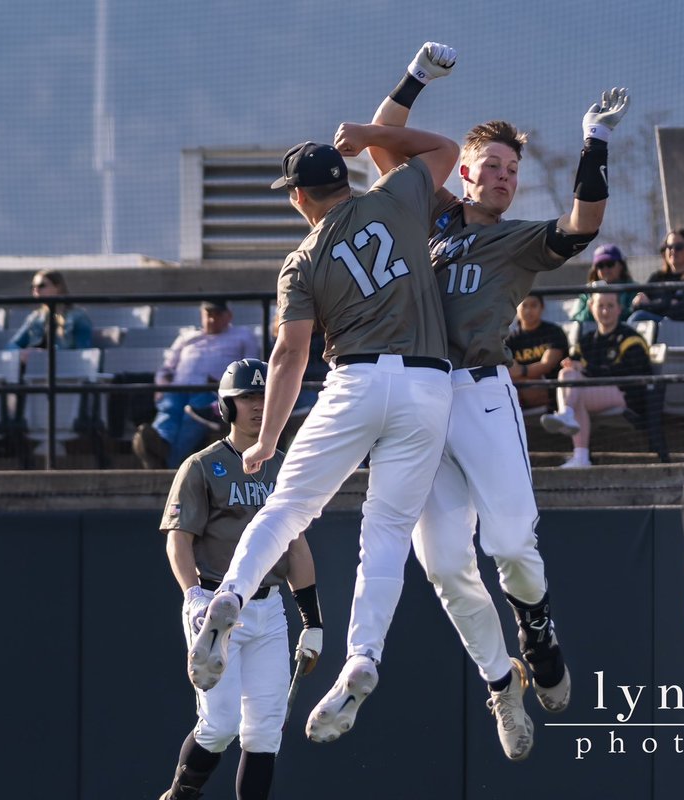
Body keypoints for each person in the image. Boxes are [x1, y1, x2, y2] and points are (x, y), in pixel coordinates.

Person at [360, 42, 627, 759]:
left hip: (476, 391)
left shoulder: (515, 240)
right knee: (444, 563)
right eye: (495, 167)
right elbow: (380, 141)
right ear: (466, 174)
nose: (507, 177)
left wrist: (594, 143)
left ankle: (537, 627)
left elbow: (583, 226)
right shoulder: (435, 213)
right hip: (415, 401)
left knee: (509, 544)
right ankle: (500, 683)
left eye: (514, 169)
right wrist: (415, 79)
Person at [189, 122, 459, 747]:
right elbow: (445, 150)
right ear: (344, 179)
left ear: (298, 197)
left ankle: (230, 595)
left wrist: (262, 442)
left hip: (356, 381)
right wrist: (371, 134)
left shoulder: (301, 260)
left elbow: (288, 356)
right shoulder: (395, 195)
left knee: (288, 508)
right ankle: (362, 656)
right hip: (425, 385)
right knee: (388, 533)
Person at [158, 357, 322, 800]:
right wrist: (192, 594)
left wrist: (313, 621)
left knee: (265, 731)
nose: (257, 405)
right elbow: (179, 540)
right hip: (214, 606)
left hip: (269, 607)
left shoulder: (288, 466)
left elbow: (297, 546)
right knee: (220, 724)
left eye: (264, 396)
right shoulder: (201, 465)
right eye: (246, 396)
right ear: (225, 407)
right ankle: (180, 794)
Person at [137, 298, 260, 469]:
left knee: (192, 417)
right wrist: (162, 386)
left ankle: (165, 462)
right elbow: (166, 369)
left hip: (211, 391)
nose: (212, 320)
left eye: (217, 315)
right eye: (208, 314)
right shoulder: (187, 337)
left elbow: (250, 369)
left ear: (228, 316)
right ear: (202, 315)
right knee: (169, 410)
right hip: (177, 389)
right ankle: (159, 443)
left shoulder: (243, 336)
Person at [540, 290, 652, 468]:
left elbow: (631, 374)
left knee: (577, 395)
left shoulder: (631, 338)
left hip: (628, 395)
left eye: (610, 306)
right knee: (566, 374)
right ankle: (577, 445)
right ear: (591, 308)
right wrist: (571, 365)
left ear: (619, 309)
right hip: (590, 393)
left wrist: (586, 369)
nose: (605, 311)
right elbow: (574, 369)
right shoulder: (586, 341)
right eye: (600, 306)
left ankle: (574, 436)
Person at [628, 228, 684, 322]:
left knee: (639, 317)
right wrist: (668, 303)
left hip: (683, 330)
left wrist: (651, 304)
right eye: (669, 247)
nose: (673, 250)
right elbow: (636, 306)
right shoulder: (657, 278)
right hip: (653, 329)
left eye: (678, 247)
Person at [6, 269, 93, 355]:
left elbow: (83, 353)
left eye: (41, 285)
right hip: (35, 367)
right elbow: (11, 346)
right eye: (33, 287)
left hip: (64, 367)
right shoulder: (35, 317)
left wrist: (46, 355)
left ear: (58, 287)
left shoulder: (78, 317)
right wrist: (23, 354)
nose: (36, 290)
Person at [506, 291, 568, 411]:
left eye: (533, 305)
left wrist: (522, 371)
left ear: (542, 307)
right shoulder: (511, 339)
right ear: (517, 308)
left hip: (550, 388)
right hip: (519, 386)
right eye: (524, 305)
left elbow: (547, 365)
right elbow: (508, 368)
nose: (528, 310)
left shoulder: (554, 332)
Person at [571, 243, 634, 324]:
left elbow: (633, 317)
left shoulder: (633, 289)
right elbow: (575, 321)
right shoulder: (588, 292)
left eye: (610, 264)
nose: (605, 269)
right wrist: (589, 310)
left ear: (621, 265)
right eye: (600, 265)